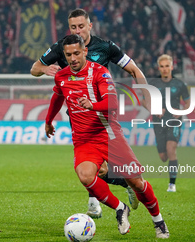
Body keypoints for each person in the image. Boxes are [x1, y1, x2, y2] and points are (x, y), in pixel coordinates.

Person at [45, 34, 169, 238]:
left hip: (108, 135)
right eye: (68, 55)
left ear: (85, 51)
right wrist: (48, 121)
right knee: (85, 175)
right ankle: (120, 208)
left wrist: (91, 105)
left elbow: (112, 103)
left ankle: (158, 221)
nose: (73, 58)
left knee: (136, 182)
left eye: (77, 53)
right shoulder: (62, 76)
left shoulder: (99, 73)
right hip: (83, 139)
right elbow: (58, 96)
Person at [31, 8, 151, 217]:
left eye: (81, 26)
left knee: (99, 168)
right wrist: (44, 69)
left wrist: (147, 95)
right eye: (73, 27)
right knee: (93, 168)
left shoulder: (105, 47)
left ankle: (103, 197)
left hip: (103, 115)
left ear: (90, 26)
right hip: (78, 116)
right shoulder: (62, 47)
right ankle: (112, 191)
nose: (78, 30)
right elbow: (35, 68)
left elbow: (134, 69)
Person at [145, 54, 190, 192]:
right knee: (163, 157)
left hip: (174, 120)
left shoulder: (180, 84)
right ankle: (171, 179)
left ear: (172, 67)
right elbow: (144, 101)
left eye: (167, 66)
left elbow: (188, 102)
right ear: (159, 68)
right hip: (158, 122)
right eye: (162, 66)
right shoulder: (153, 84)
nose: (165, 69)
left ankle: (172, 184)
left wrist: (181, 111)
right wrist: (154, 109)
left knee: (171, 149)